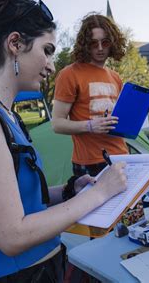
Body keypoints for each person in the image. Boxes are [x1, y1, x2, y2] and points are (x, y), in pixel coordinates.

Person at [0, 0, 127, 282]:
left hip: (40, 269)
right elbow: (12, 235)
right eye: (47, 50)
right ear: (15, 44)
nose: (51, 65)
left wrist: (67, 191)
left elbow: (20, 199)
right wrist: (99, 194)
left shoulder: (3, 114)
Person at [52, 13, 128, 178]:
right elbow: (57, 124)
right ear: (85, 44)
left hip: (122, 156)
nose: (100, 48)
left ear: (113, 43)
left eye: (105, 42)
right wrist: (90, 126)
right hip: (89, 163)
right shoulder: (69, 74)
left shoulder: (115, 77)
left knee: (134, 205)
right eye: (94, 43)